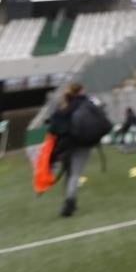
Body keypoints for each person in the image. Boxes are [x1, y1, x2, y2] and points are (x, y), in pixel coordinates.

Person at [47, 82, 92, 217]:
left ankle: (70, 201)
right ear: (80, 91)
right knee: (74, 174)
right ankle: (69, 201)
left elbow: (53, 128)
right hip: (83, 143)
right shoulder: (85, 104)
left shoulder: (63, 107)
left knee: (69, 174)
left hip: (66, 145)